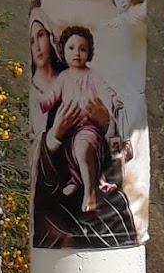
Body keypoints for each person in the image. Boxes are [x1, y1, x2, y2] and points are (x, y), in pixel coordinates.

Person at [38, 25, 121, 214]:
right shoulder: (63, 78)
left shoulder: (92, 76)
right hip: (69, 128)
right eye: (71, 48)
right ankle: (76, 180)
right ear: (63, 51)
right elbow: (51, 97)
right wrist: (41, 103)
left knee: (83, 147)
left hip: (88, 127)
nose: (77, 53)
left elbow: (106, 92)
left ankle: (90, 192)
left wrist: (114, 100)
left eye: (82, 49)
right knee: (69, 153)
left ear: (89, 52)